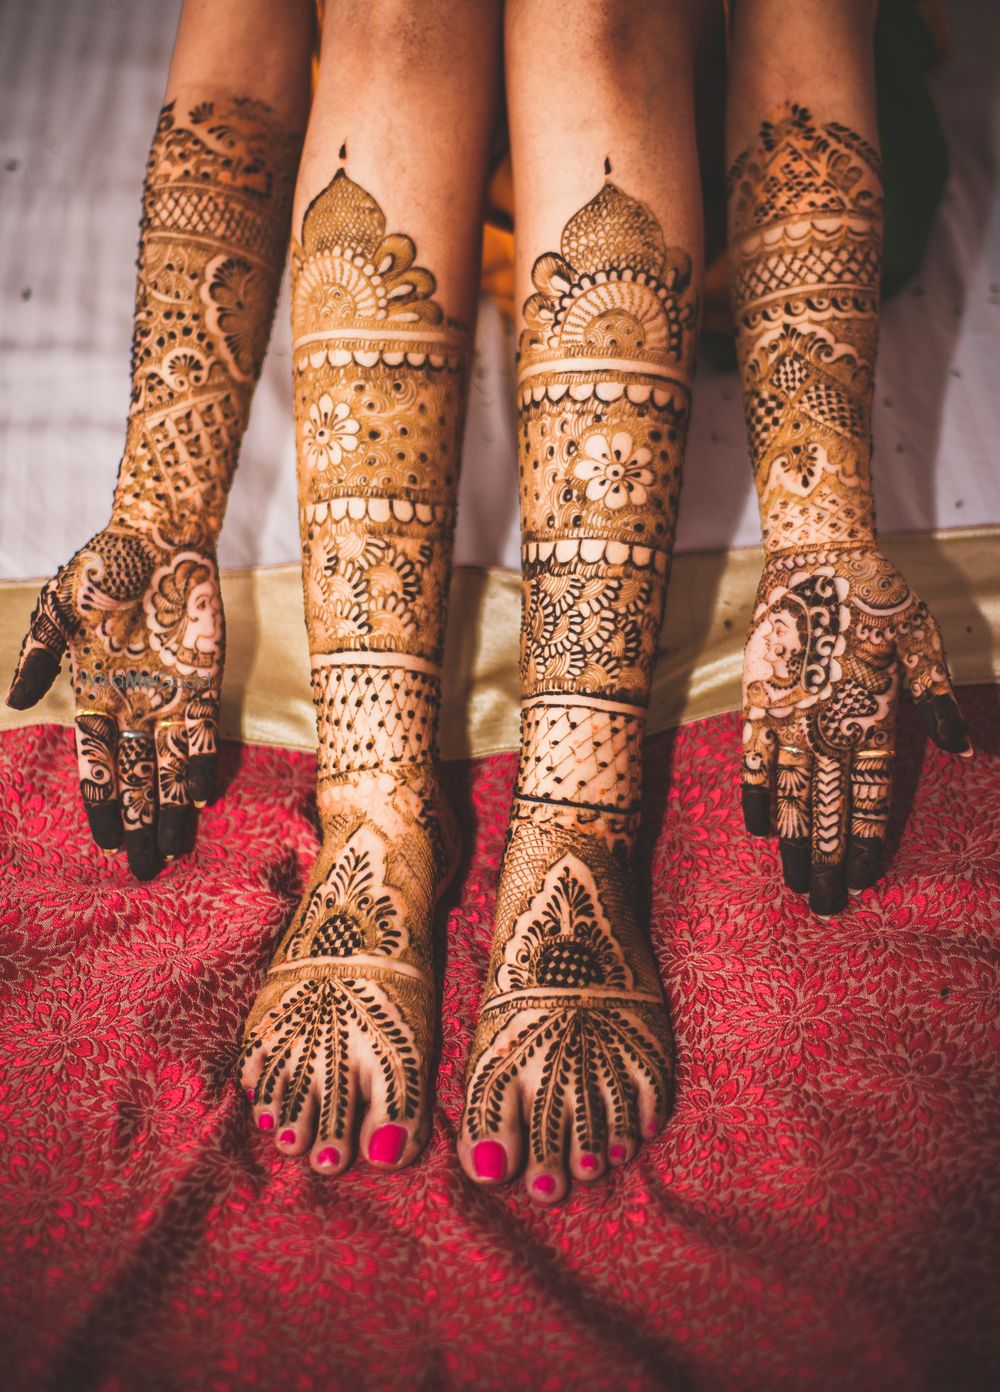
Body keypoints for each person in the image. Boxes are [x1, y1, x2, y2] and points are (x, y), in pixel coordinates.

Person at [7, 0, 970, 1204]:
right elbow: (243, 79)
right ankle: (375, 806)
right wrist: (160, 506)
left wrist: (821, 531)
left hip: (729, 187)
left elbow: (798, 61)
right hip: (443, 161)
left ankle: (579, 819)